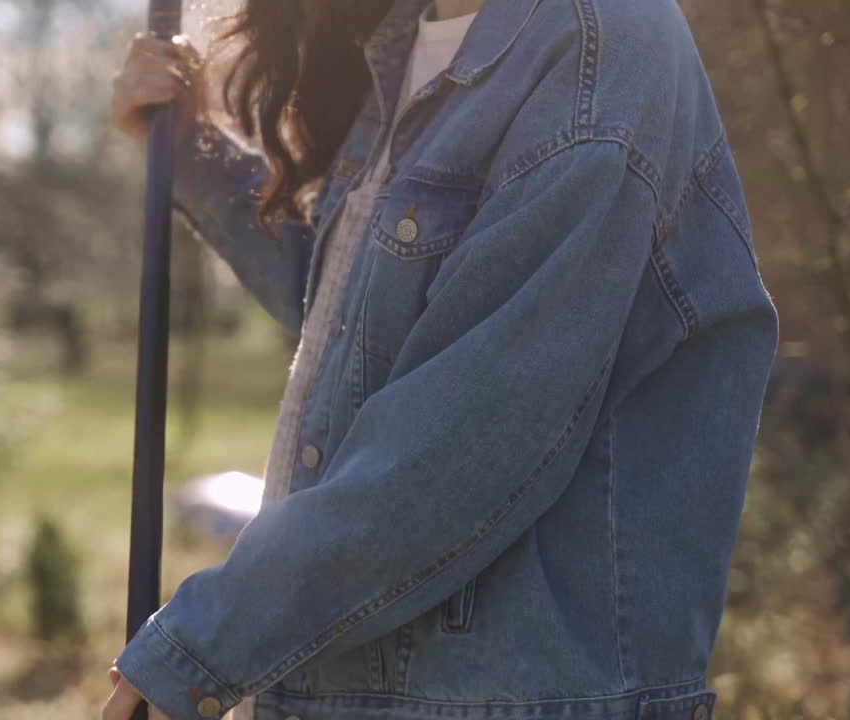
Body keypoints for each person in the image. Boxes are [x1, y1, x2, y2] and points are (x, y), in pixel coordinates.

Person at [105, 1, 778, 719]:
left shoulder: (600, 41)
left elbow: (469, 436)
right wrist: (186, 149)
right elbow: (357, 328)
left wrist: (202, 647)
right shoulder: (407, 45)